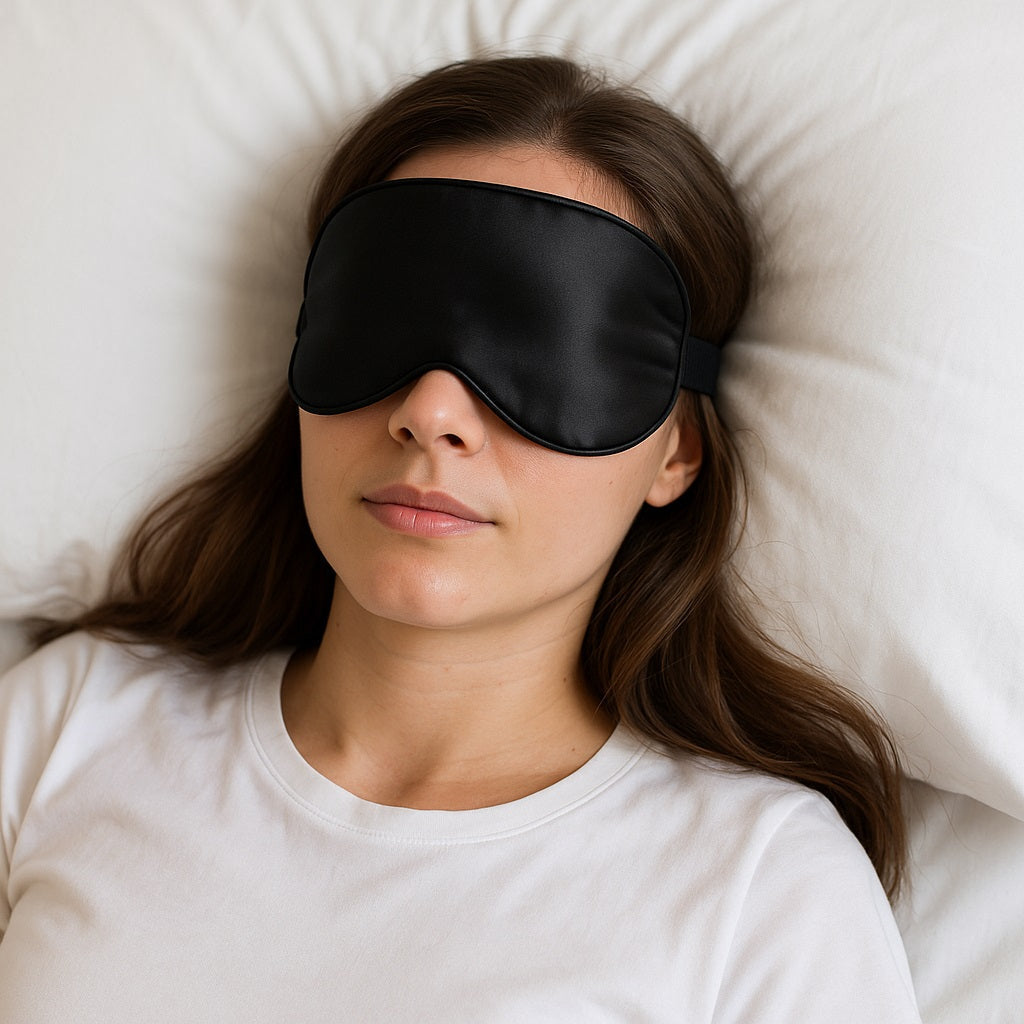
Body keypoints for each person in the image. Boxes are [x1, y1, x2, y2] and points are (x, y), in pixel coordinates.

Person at [0, 55, 920, 1021]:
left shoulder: (762, 889)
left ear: (675, 453)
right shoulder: (69, 726)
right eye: (383, 318)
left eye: (541, 349)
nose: (432, 410)